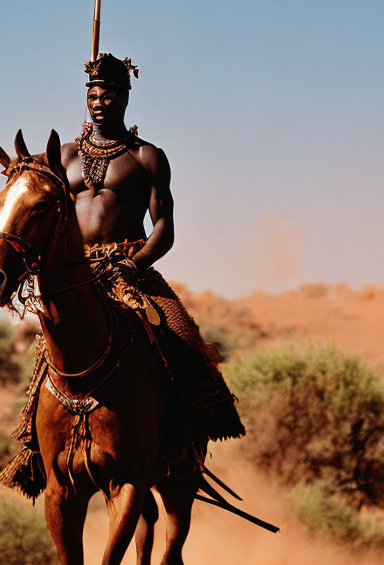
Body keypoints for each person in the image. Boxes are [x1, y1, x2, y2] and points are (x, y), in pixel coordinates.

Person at [57, 53, 244, 454]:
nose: (98, 102)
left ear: (125, 98)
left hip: (129, 269)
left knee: (184, 341)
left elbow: (164, 229)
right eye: (92, 94)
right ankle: (35, 450)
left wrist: (134, 263)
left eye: (107, 95)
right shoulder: (66, 156)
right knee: (49, 354)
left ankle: (186, 443)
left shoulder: (147, 157)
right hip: (76, 271)